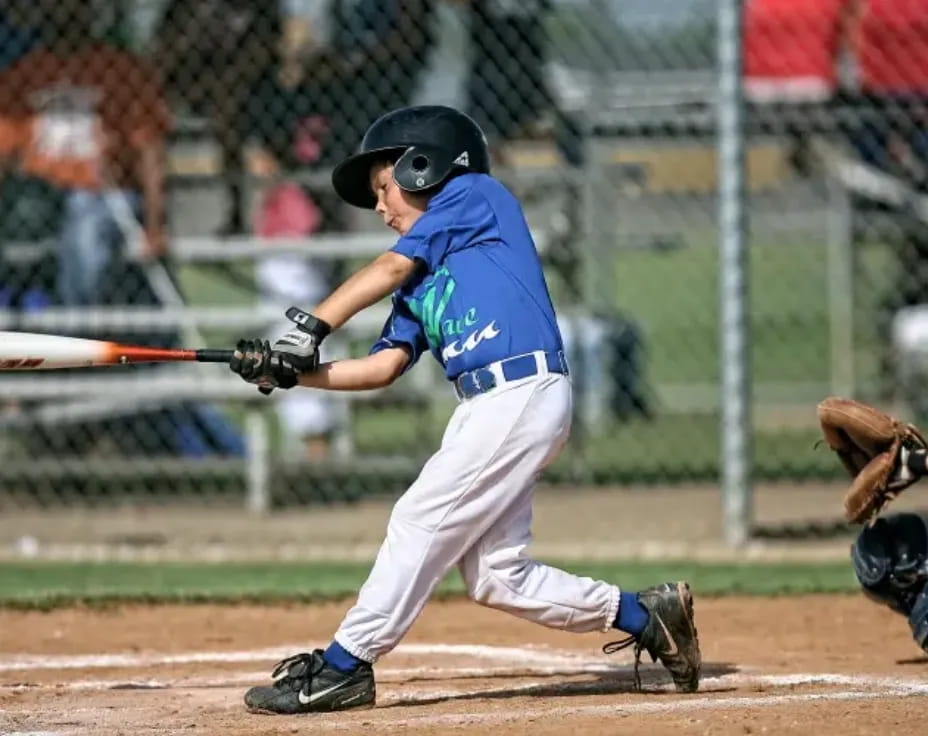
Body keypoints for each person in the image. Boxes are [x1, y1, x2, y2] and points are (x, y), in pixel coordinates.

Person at [228, 105, 701, 713]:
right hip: (489, 408)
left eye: (384, 187)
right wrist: (292, 373)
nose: (379, 207)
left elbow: (389, 263)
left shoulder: (476, 195)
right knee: (498, 578)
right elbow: (382, 367)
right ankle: (645, 615)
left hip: (519, 393)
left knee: (418, 519)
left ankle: (345, 666)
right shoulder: (417, 279)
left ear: (424, 167)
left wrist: (310, 325)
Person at [0, 0, 171, 306]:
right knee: (29, 212)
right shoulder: (24, 72)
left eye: (74, 7)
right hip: (39, 197)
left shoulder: (121, 70)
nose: (65, 14)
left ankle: (77, 326)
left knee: (85, 224)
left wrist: (154, 225)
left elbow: (149, 149)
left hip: (101, 194)